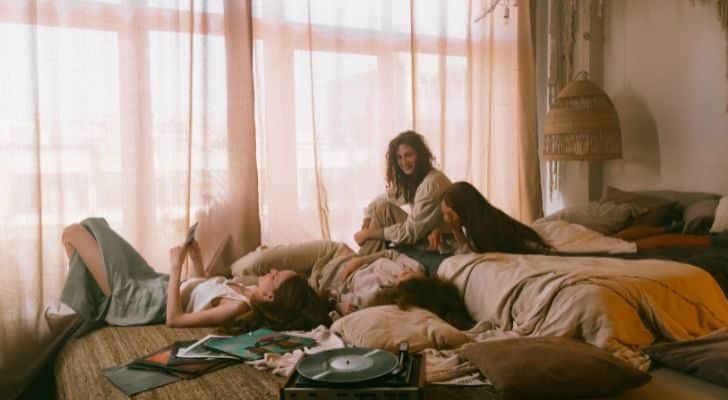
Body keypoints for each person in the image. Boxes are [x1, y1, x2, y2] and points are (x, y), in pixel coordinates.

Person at [59, 218, 331, 332]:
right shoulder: (244, 289)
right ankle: (93, 302)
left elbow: (175, 320)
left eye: (275, 276)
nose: (271, 271)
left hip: (139, 300)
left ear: (270, 296)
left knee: (73, 233)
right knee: (94, 226)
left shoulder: (236, 308)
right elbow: (203, 291)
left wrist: (176, 267)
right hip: (154, 283)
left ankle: (99, 304)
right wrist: (196, 260)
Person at [232, 240, 473, 329]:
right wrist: (362, 259)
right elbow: (390, 254)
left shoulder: (381, 297)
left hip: (316, 281)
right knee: (251, 264)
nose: (407, 271)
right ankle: (257, 255)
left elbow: (344, 309)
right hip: (332, 255)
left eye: (406, 276)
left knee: (238, 282)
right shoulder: (415, 270)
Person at [355, 130, 452, 255]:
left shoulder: (431, 183)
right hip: (425, 232)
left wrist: (369, 234)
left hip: (441, 241)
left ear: (421, 155)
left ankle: (361, 259)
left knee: (381, 215)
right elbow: (386, 197)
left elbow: (411, 232)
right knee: (382, 208)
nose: (404, 162)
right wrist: (367, 217)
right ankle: (364, 258)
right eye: (399, 157)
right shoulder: (415, 178)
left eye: (408, 155)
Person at [428, 181, 552, 255]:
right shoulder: (483, 216)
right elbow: (463, 247)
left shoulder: (483, 229)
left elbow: (469, 258)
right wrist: (444, 242)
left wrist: (456, 229)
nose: (445, 218)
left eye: (447, 213)